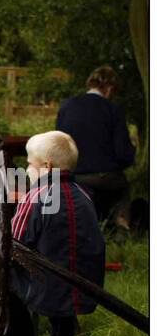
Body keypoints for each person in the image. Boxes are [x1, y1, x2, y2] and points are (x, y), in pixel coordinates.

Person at [10, 131, 106, 336]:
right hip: (83, 286)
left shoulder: (35, 197)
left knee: (7, 277)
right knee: (62, 274)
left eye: (29, 164)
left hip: (42, 290)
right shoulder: (84, 197)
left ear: (47, 166)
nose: (26, 168)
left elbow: (15, 244)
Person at [55, 65, 136, 228]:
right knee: (122, 189)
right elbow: (123, 154)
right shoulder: (113, 109)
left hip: (72, 176)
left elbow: (58, 143)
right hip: (105, 177)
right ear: (110, 88)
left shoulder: (67, 106)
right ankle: (122, 227)